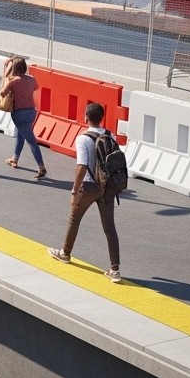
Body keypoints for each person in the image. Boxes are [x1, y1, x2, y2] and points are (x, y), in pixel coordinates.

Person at [48, 103, 122, 284]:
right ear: (102, 118)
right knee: (109, 227)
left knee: (75, 218)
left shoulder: (83, 139)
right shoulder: (110, 135)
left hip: (89, 186)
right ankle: (115, 269)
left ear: (86, 118)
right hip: (107, 188)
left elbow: (81, 166)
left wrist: (74, 190)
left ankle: (65, 253)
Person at [0, 57, 45, 180]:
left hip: (19, 113)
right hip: (31, 112)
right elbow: (35, 87)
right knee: (20, 134)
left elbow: (2, 93)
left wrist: (6, 70)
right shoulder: (32, 79)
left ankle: (41, 167)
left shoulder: (13, 82)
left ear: (14, 68)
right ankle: (15, 159)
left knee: (31, 141)